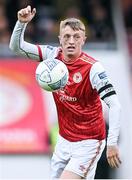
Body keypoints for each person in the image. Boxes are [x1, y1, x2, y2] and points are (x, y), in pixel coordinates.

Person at [9, 5, 122, 179]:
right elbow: (17, 48)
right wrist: (21, 23)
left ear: (83, 39)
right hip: (64, 140)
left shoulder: (93, 68)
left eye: (76, 37)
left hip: (89, 142)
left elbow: (115, 104)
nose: (71, 41)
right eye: (67, 36)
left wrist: (112, 143)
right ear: (60, 38)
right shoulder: (52, 56)